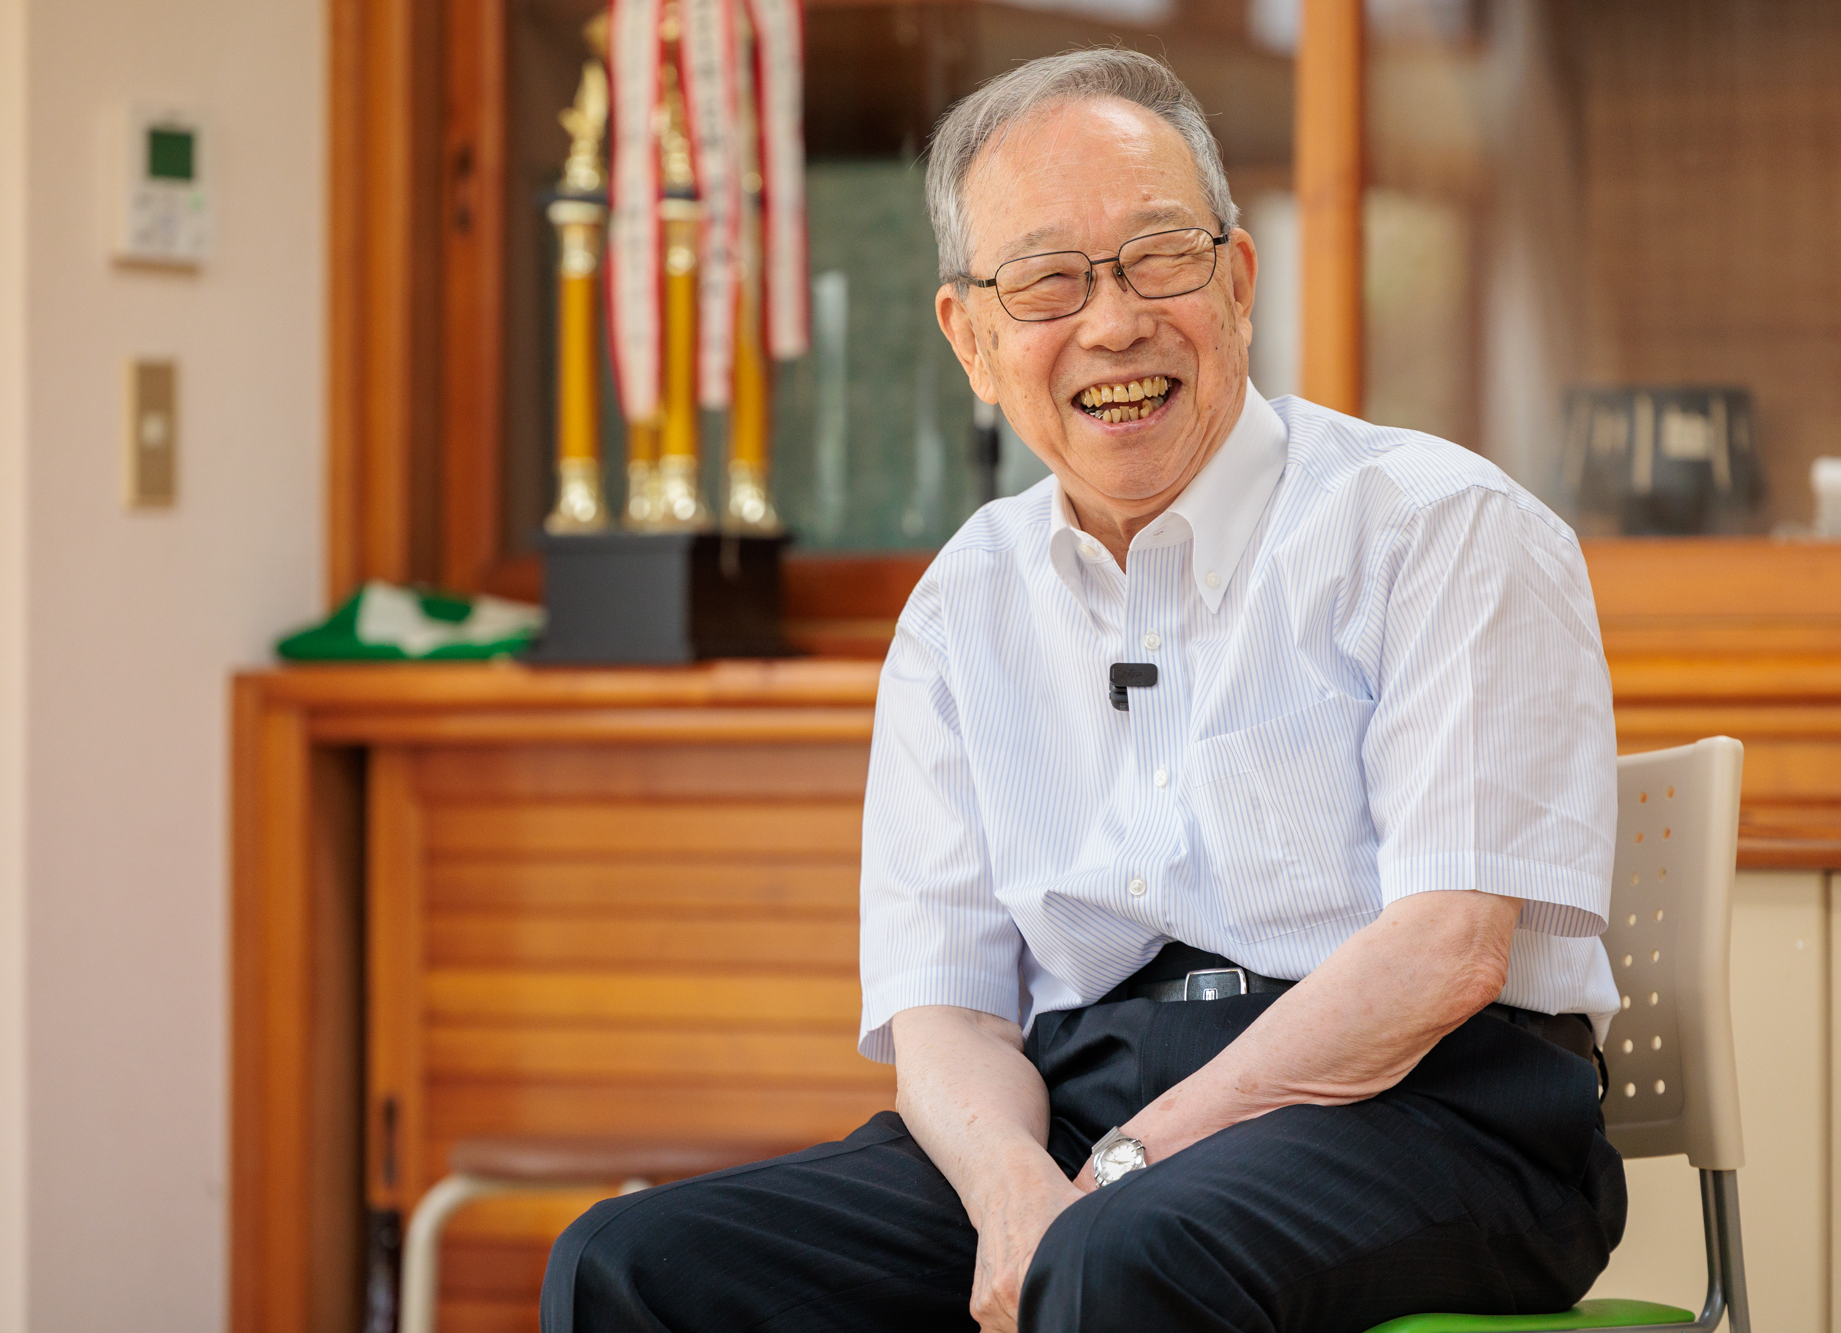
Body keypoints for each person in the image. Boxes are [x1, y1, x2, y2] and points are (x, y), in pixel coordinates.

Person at [541, 48, 1625, 1333]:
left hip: (1427, 1109)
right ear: (971, 338)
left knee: (1115, 1261)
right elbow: (944, 1010)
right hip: (1081, 1113)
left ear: (1237, 281)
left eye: (1158, 258)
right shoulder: (962, 605)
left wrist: (1119, 1170)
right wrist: (1015, 1190)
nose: (1111, 324)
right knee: (632, 1265)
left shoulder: (1436, 525)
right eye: (1047, 280)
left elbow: (1446, 952)